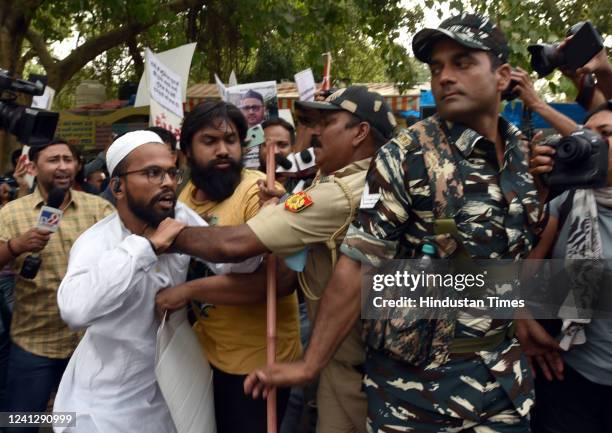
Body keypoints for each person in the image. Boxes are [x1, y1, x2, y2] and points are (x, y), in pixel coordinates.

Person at [245, 14, 547, 432]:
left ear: (502, 76)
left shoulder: (524, 155)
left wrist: (526, 308)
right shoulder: (409, 154)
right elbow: (359, 265)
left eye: (462, 63)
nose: (444, 77)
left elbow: (517, 253)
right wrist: (309, 365)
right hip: (416, 398)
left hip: (504, 389)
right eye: (437, 67)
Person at [159, 85, 397, 433]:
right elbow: (326, 264)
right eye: (209, 141)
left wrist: (164, 238)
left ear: (360, 133)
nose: (315, 133)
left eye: (327, 122)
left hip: (358, 366)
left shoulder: (342, 191)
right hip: (340, 359)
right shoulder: (345, 180)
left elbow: (237, 245)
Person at [155, 101, 301, 433]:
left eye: (231, 140)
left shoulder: (259, 193)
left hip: (258, 365)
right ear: (187, 152)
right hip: (203, 355)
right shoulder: (182, 198)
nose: (223, 150)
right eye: (210, 141)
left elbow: (278, 281)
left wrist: (187, 291)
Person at [0, 138, 113, 431]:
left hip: (91, 344)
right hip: (34, 342)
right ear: (34, 167)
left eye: (68, 159)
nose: (63, 166)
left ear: (77, 165)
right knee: (18, 424)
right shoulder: (12, 213)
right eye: (53, 160)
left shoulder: (99, 210)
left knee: (87, 423)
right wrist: (16, 245)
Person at [523, 100, 612, 433]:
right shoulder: (566, 202)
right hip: (571, 377)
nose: (593, 143)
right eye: (585, 135)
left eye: (606, 134)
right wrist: (538, 192)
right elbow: (521, 276)